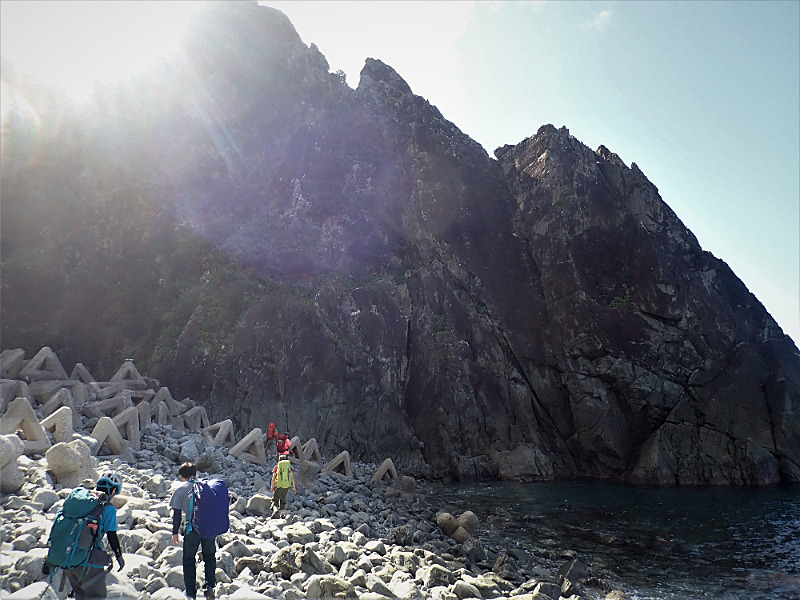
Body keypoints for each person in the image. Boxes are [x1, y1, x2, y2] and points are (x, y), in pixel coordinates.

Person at [65, 471, 125, 599]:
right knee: (97, 596)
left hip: (67, 559)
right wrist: (119, 556)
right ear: (114, 490)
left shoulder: (81, 502)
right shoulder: (108, 508)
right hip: (88, 561)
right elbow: (111, 535)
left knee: (80, 596)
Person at [170, 463, 216, 600]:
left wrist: (175, 532)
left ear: (182, 476)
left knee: (189, 559)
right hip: (209, 528)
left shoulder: (181, 490)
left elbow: (177, 514)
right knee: (210, 557)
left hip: (191, 529)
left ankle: (190, 592)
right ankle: (209, 586)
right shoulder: (207, 487)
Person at [270, 451, 296, 518]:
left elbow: (273, 478)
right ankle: (282, 514)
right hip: (286, 486)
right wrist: (294, 487)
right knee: (283, 499)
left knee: (275, 500)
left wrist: (272, 487)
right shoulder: (288, 468)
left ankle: (275, 510)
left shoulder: (277, 467)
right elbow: (292, 477)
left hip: (279, 485)